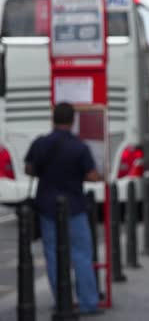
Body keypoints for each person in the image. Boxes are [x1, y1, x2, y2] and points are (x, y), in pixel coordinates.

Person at [24, 102, 103, 315]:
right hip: (75, 206)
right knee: (81, 255)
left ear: (53, 118)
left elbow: (29, 168)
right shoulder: (79, 146)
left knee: (53, 255)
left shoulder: (41, 143)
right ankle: (88, 302)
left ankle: (62, 301)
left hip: (47, 206)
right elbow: (92, 175)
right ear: (73, 120)